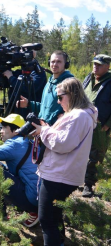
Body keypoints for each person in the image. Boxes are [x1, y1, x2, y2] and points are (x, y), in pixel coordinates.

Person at [31, 77, 97, 245]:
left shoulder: (78, 116)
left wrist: (44, 130)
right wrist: (46, 129)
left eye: (60, 97)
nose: (58, 101)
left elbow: (62, 143)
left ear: (72, 94)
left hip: (58, 175)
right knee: (55, 215)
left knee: (46, 220)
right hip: (61, 173)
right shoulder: (79, 115)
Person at [0, 49, 47, 118]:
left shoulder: (39, 74)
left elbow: (27, 88)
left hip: (30, 116)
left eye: (22, 55)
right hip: (15, 114)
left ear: (30, 56)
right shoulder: (19, 72)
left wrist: (11, 77)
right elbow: (0, 82)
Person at [17, 50, 74, 125]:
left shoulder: (70, 83)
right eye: (52, 61)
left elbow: (76, 108)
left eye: (59, 62)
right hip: (43, 128)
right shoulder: (49, 82)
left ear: (65, 64)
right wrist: (29, 104)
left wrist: (64, 117)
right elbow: (45, 108)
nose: (54, 64)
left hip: (57, 130)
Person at [82, 54, 111, 197]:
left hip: (100, 126)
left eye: (99, 64)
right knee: (79, 151)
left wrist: (108, 125)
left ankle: (88, 185)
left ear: (108, 66)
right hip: (82, 123)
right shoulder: (89, 78)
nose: (95, 66)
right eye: (94, 63)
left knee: (94, 156)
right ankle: (77, 180)